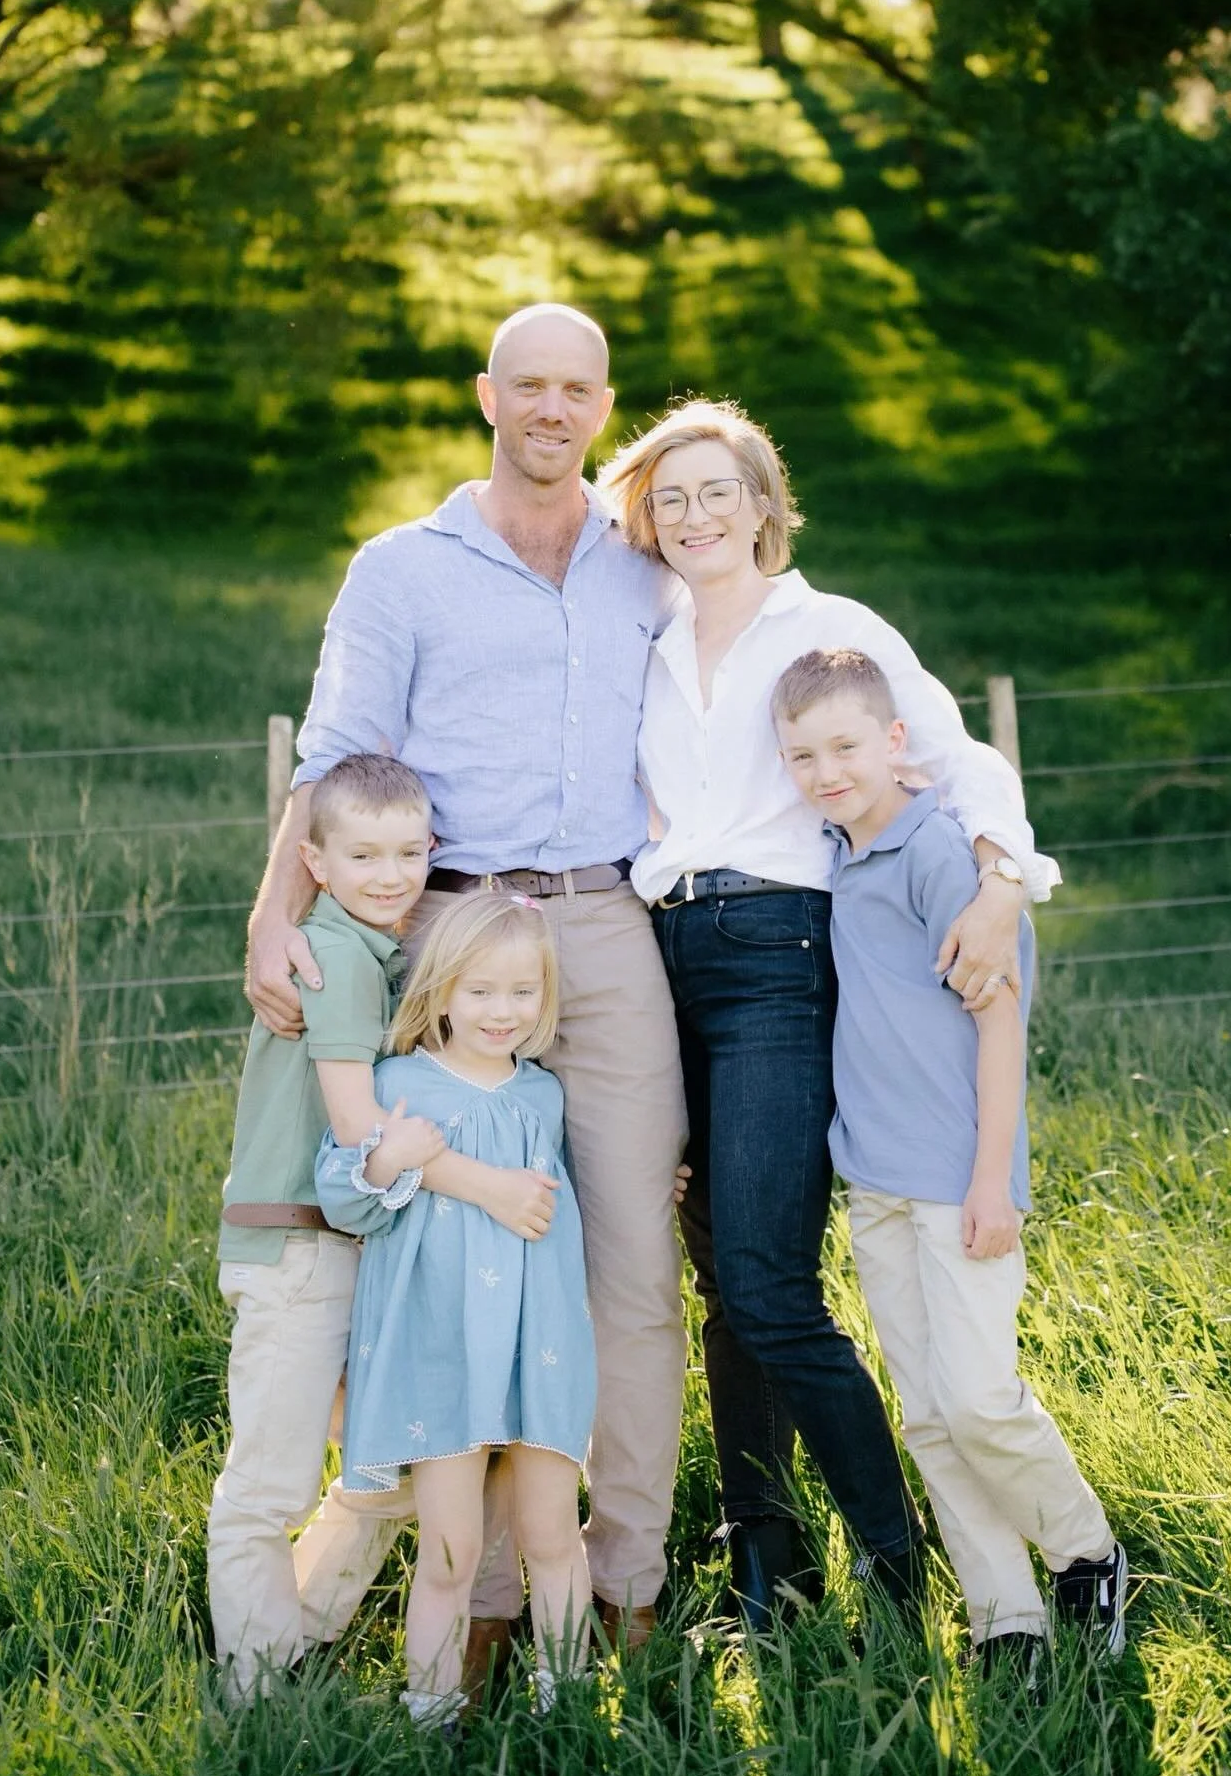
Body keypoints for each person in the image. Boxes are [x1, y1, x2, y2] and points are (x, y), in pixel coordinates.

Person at [244, 304, 689, 1658]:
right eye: (529, 385)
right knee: (454, 1256)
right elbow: (334, 755)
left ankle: (619, 1581)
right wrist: (277, 911)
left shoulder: (645, 569)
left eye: (578, 389)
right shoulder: (402, 569)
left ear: (602, 408)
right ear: (487, 396)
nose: (553, 409)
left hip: (605, 924)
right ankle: (480, 1595)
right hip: (449, 929)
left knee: (627, 1261)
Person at [597, 398, 1061, 1629]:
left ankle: (895, 1560)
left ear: (763, 503)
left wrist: (1007, 886)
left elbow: (959, 759)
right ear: (649, 516)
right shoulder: (641, 636)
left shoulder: (831, 628)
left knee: (766, 1279)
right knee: (714, 1267)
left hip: (775, 957)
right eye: (671, 497)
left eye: (719, 491)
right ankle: (765, 1544)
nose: (695, 516)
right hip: (659, 954)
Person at [772, 647, 1128, 1675]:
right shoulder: (839, 851)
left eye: (846, 746)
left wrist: (990, 1179)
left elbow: (1001, 1022)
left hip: (958, 1179)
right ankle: (1002, 1618)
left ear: (895, 743)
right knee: (928, 1414)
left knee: (979, 1397)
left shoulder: (940, 857)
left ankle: (1087, 1551)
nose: (826, 771)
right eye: (802, 755)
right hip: (875, 1181)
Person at [209, 752, 556, 1699]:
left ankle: (297, 1636)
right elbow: (364, 1130)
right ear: (315, 861)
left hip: (347, 1243)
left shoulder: (378, 954)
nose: (391, 874)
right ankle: (258, 1695)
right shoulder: (333, 956)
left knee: (390, 1477)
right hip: (295, 1243)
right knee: (267, 1487)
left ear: (434, 850)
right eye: (363, 854)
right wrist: (487, 1184)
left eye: (409, 852)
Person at [316, 893, 596, 1723]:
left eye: (522, 993)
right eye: (480, 992)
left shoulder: (542, 1095)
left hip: (538, 1341)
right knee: (450, 1551)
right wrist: (383, 1162)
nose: (501, 1012)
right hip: (443, 1351)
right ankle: (430, 1717)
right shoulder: (399, 1086)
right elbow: (344, 1192)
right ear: (439, 990)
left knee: (552, 1536)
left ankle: (569, 1708)